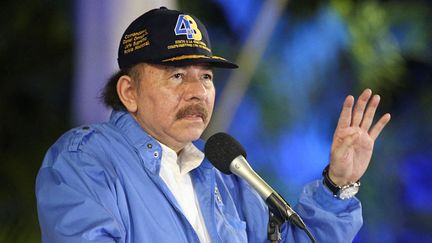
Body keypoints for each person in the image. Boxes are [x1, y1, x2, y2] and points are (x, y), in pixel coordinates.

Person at [35, 6, 391, 243]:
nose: (197, 92)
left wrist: (338, 184)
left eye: (205, 77)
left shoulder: (223, 169)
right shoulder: (86, 159)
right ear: (129, 92)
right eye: (176, 75)